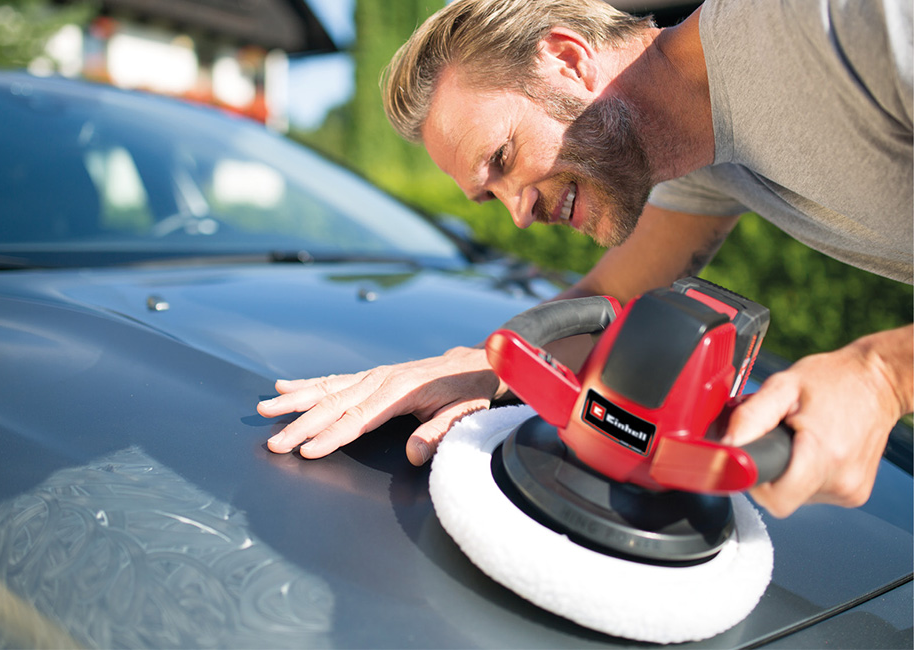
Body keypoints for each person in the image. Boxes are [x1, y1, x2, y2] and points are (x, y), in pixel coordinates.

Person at [258, 0, 913, 518]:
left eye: (502, 160)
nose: (517, 213)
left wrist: (884, 377)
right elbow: (612, 296)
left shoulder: (846, 22)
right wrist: (477, 366)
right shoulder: (693, 161)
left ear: (567, 60)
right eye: (490, 196)